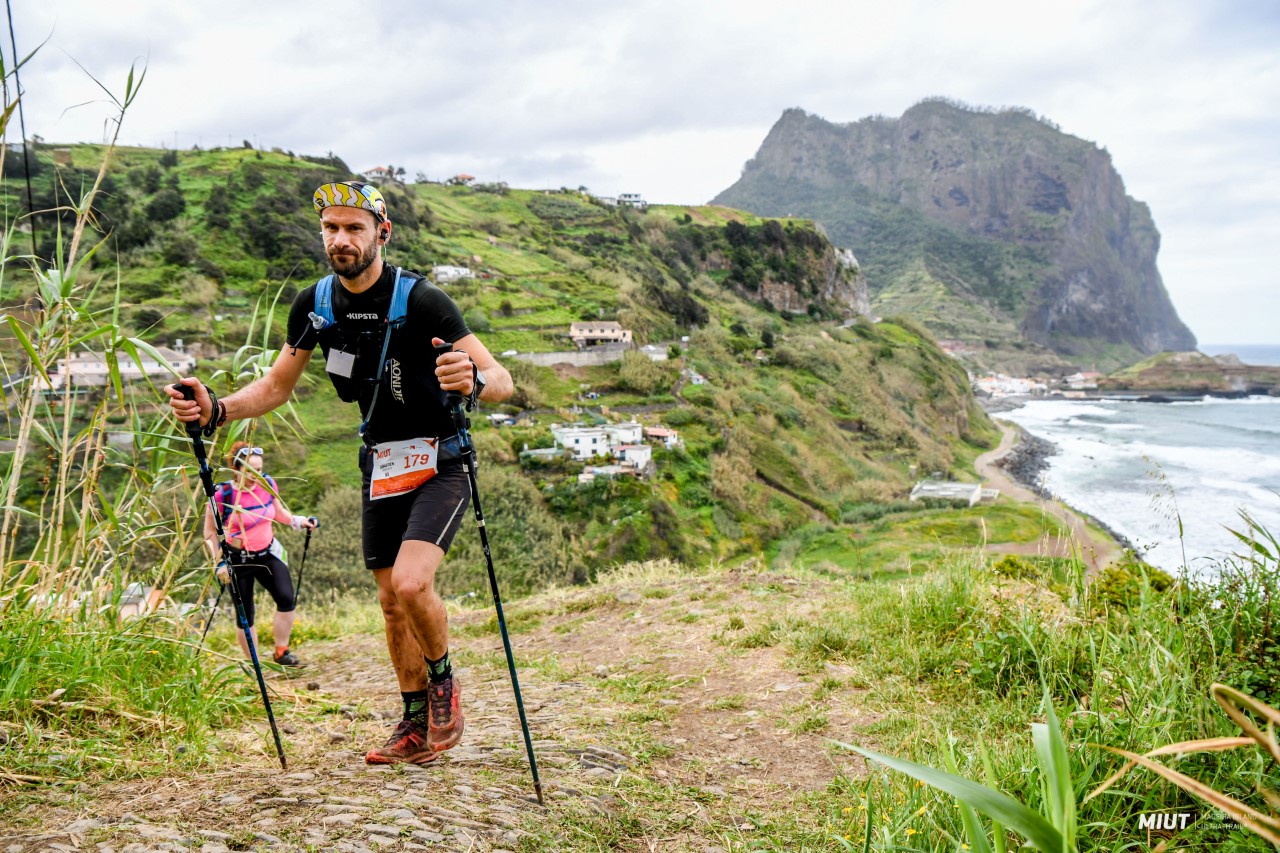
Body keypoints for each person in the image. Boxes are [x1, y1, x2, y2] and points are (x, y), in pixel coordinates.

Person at [168, 180, 512, 766]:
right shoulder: (316, 303)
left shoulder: (423, 299)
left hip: (442, 457)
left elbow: (501, 380)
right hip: (379, 459)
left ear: (383, 232)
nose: (341, 239)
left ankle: (443, 684)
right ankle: (412, 725)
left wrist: (472, 382)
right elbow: (277, 385)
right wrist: (217, 410)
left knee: (411, 583)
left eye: (354, 228)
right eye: (331, 228)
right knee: (388, 600)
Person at [206, 441, 317, 667]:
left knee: (287, 599)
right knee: (245, 616)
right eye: (250, 470)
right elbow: (209, 532)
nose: (256, 475)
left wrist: (299, 521)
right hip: (237, 561)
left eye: (259, 468)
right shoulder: (223, 494)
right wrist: (219, 564)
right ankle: (255, 664)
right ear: (236, 469)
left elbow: (278, 513)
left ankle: (281, 652)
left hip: (267, 554)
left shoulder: (267, 483)